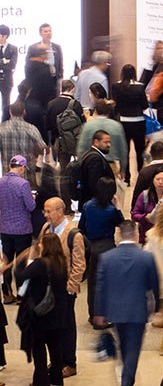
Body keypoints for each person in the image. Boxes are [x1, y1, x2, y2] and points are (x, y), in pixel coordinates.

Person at [94, 220, 160, 386]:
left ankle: (126, 376)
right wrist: (157, 308)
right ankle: (126, 380)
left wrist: (99, 312)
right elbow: (155, 284)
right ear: (137, 234)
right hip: (138, 311)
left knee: (124, 345)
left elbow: (100, 287)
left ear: (118, 234)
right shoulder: (146, 257)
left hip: (115, 311)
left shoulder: (107, 258)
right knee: (133, 349)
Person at [40, 197, 86, 378]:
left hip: (65, 291)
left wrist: (69, 289)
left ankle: (69, 362)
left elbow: (79, 265)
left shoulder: (74, 235)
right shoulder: (46, 229)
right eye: (45, 211)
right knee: (53, 327)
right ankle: (57, 360)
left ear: (60, 211)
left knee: (66, 326)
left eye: (48, 211)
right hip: (47, 289)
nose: (45, 215)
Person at [20, 233, 68, 386]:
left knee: (39, 351)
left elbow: (22, 276)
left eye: (41, 243)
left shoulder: (40, 264)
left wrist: (28, 258)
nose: (39, 245)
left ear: (45, 246)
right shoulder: (62, 262)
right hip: (58, 314)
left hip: (41, 315)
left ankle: (41, 381)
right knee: (56, 349)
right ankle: (57, 378)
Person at [78, 177, 123, 322]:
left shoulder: (87, 206)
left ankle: (93, 314)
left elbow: (81, 227)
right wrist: (118, 207)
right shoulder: (111, 210)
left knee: (93, 284)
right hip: (108, 246)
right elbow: (122, 224)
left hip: (92, 247)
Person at [0, 155, 35, 303]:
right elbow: (31, 207)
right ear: (21, 167)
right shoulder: (23, 184)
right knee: (21, 263)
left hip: (4, 228)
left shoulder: (0, 182)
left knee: (6, 261)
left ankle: (7, 294)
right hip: (22, 229)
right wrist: (33, 198)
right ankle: (21, 295)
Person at [112, 64, 148, 183]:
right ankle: (140, 176)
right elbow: (145, 105)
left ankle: (126, 176)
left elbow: (116, 104)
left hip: (124, 121)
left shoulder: (116, 86)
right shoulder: (140, 87)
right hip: (138, 121)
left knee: (125, 150)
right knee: (139, 150)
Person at [77, 100, 128, 181]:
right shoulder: (117, 126)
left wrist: (80, 167)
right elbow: (123, 149)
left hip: (91, 164)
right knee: (109, 189)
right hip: (111, 165)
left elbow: (81, 148)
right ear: (108, 111)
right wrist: (123, 169)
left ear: (96, 111)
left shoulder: (88, 126)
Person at [0, 101, 45, 186]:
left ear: (10, 111)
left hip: (8, 173)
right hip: (26, 173)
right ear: (24, 112)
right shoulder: (32, 129)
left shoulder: (1, 129)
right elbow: (42, 148)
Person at [78, 130, 116, 212]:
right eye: (105, 142)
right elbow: (94, 184)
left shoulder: (91, 155)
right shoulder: (95, 159)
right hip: (96, 206)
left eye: (109, 142)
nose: (109, 145)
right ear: (96, 142)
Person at [131, 168, 163, 244]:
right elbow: (134, 215)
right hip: (148, 237)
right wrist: (145, 217)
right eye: (157, 179)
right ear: (152, 180)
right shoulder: (144, 196)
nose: (160, 182)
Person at [25, 46, 57, 111]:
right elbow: (51, 84)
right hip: (45, 99)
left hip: (32, 98)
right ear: (43, 54)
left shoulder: (28, 65)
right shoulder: (45, 67)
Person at [0, 24, 18, 112]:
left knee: (6, 104)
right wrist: (4, 61)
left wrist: (8, 63)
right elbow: (7, 64)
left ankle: (5, 123)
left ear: (4, 36)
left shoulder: (13, 49)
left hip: (7, 80)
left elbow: (12, 65)